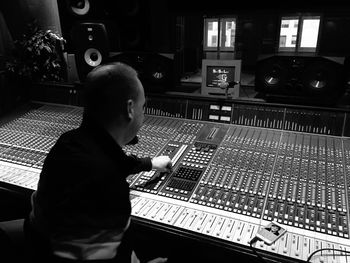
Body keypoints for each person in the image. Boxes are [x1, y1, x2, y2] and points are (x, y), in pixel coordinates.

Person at [24, 62, 172, 263]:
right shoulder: (108, 184)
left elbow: (109, 158)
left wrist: (151, 163)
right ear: (130, 109)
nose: (143, 114)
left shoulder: (68, 142)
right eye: (142, 106)